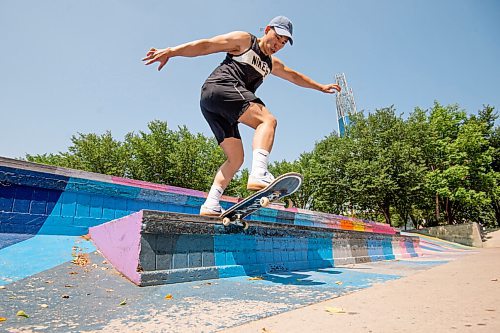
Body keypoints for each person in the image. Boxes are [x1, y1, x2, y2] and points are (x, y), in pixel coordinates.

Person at [142, 16, 341, 216]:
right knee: (267, 120)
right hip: (221, 87)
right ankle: (259, 173)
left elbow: (294, 76)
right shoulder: (245, 40)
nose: (277, 45)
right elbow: (207, 45)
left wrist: (320, 87)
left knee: (236, 159)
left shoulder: (272, 63)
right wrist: (171, 51)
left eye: (282, 43)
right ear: (267, 29)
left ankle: (211, 203)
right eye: (277, 37)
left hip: (214, 105)